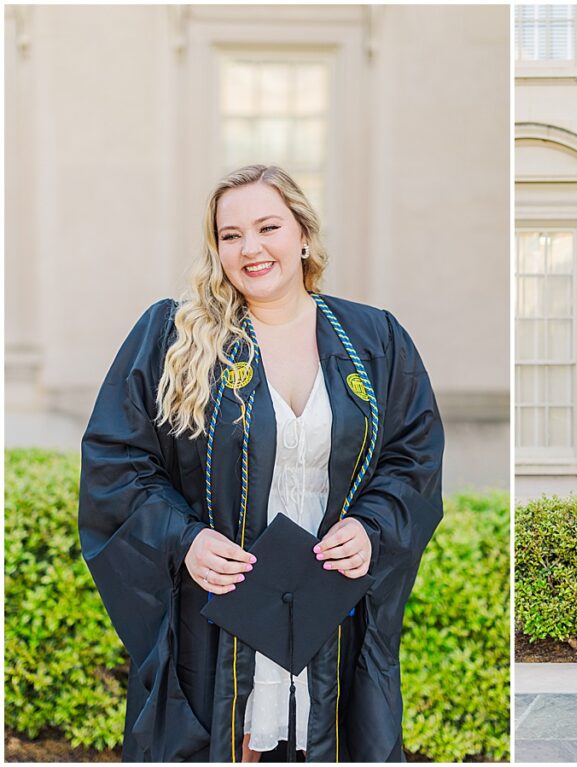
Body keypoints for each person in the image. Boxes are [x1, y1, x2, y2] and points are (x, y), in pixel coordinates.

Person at [79, 164, 444, 761]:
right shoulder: (175, 336)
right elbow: (117, 462)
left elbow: (413, 457)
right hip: (222, 608)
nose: (250, 248)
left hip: (330, 608)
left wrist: (372, 526)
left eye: (268, 226)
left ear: (303, 234)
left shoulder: (374, 339)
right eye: (230, 235)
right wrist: (184, 539)